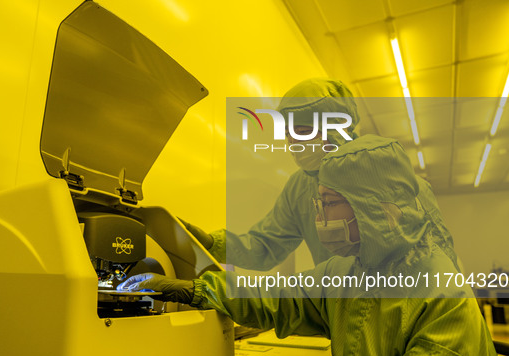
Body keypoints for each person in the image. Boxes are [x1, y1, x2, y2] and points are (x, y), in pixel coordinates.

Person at [120, 135, 509, 356]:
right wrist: (196, 289)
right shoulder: (351, 270)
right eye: (319, 202)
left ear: (373, 206)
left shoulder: (440, 297)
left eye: (329, 202)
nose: (320, 215)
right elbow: (278, 297)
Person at [184, 78, 459, 273]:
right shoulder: (300, 186)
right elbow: (265, 246)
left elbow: (438, 259)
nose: (293, 142)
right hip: (344, 320)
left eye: (302, 131)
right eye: (287, 133)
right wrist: (213, 244)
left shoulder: (387, 177)